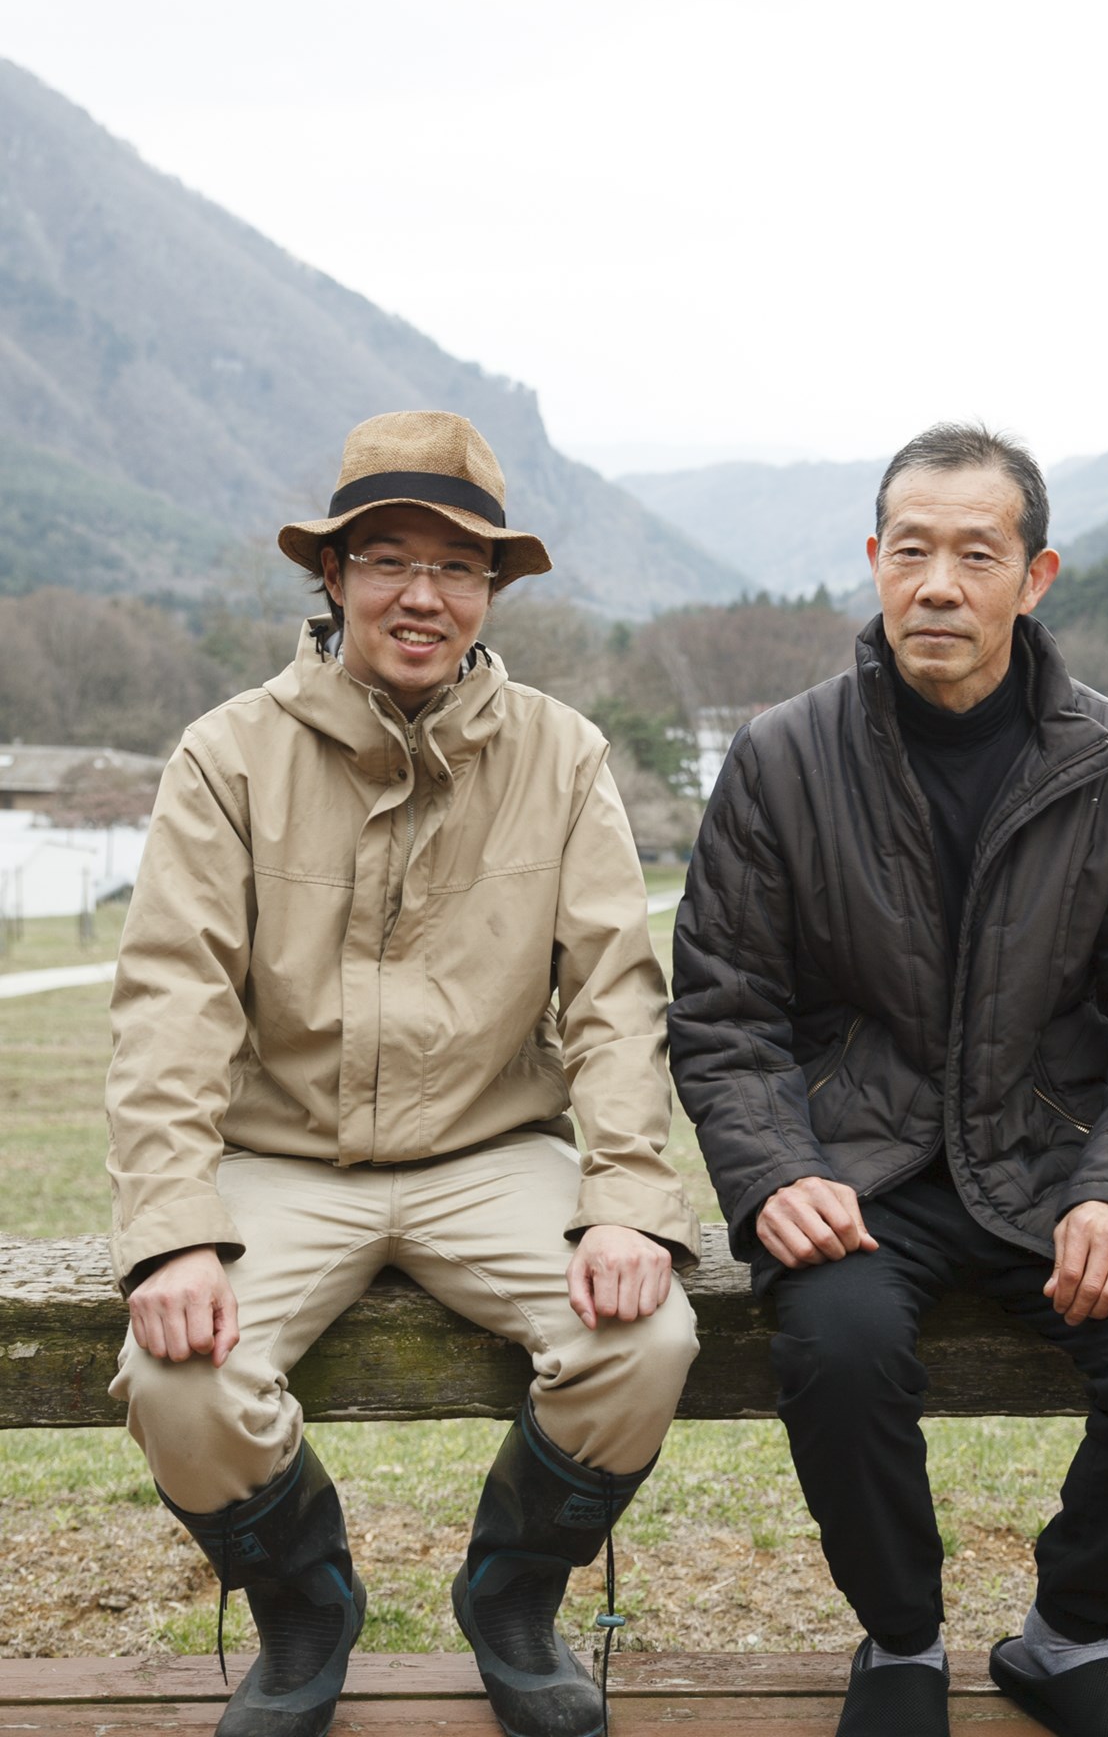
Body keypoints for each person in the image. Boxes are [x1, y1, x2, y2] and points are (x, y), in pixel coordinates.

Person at [106, 410, 700, 1737]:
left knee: (646, 1336)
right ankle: (304, 1606)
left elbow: (612, 997)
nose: (420, 595)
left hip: (492, 1151)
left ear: (493, 592)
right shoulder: (227, 755)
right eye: (386, 558)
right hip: (279, 1158)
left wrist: (623, 1201)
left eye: (457, 567)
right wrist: (172, 1236)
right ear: (332, 577)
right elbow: (169, 1006)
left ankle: (513, 1599)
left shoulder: (563, 756)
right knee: (178, 1377)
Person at [669, 423, 1108, 1737]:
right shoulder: (780, 757)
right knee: (838, 1345)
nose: (938, 584)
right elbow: (724, 1010)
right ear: (873, 563)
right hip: (860, 1165)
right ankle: (904, 1647)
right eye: (911, 550)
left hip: (1059, 1166)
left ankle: (1065, 1636)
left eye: (974, 554)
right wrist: (775, 1173)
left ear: (1031, 578)